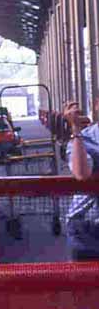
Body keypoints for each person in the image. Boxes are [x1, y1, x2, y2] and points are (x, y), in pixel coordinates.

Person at [63, 99, 99, 260]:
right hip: (87, 228)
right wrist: (76, 130)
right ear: (97, 105)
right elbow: (81, 173)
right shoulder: (84, 138)